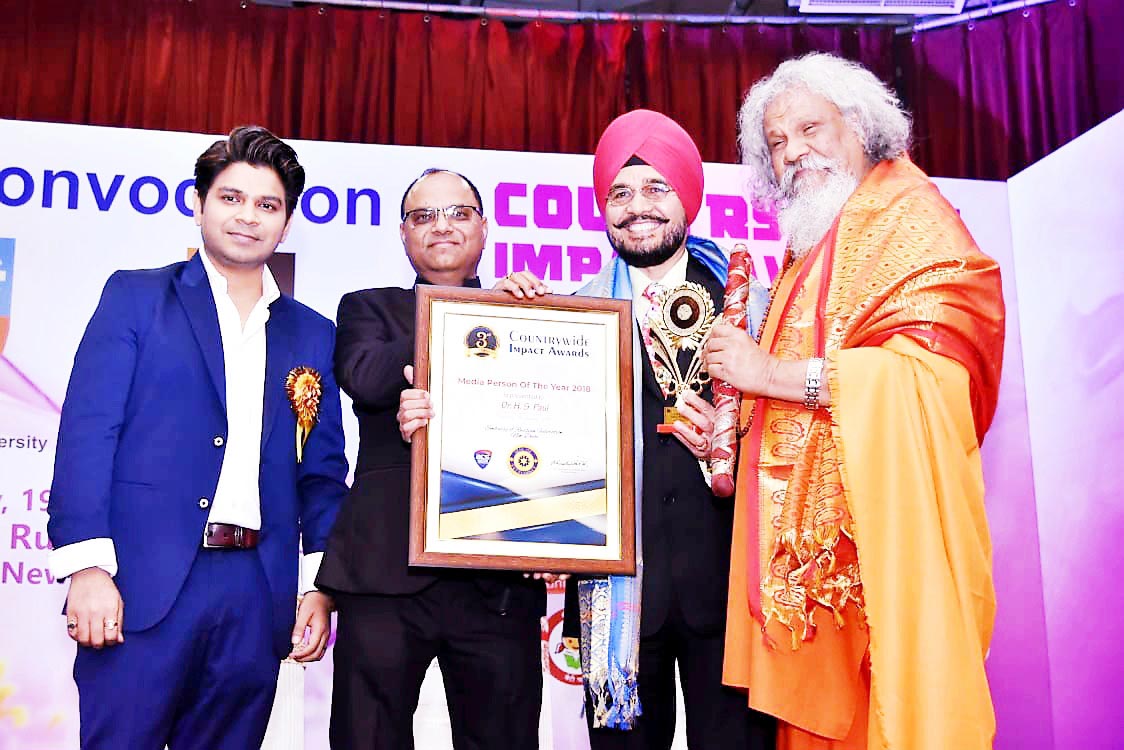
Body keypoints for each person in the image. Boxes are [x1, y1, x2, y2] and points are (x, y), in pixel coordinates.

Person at [703, 53, 1006, 750]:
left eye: (810, 129)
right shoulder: (810, 246)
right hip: (816, 580)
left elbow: (929, 379)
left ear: (861, 126)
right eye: (777, 143)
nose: (793, 153)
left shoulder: (910, 218)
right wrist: (731, 425)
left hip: (885, 558)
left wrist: (768, 375)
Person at [46, 125, 349, 749]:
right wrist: (88, 567)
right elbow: (88, 434)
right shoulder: (136, 297)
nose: (248, 217)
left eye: (267, 205)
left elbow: (320, 475)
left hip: (256, 593)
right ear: (198, 203)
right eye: (231, 198)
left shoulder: (312, 333)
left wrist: (319, 586)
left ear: (287, 223)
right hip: (141, 583)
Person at [492, 109, 775, 750]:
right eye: (619, 193)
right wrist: (508, 325)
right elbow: (533, 441)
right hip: (612, 600)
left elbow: (792, 436)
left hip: (732, 591)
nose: (637, 207)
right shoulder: (573, 316)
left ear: (688, 197)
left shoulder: (752, 306)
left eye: (655, 188)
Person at [317, 168, 546, 750]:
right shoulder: (368, 307)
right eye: (423, 216)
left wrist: (515, 316)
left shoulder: (526, 315)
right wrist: (471, 314)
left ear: (484, 229)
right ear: (403, 234)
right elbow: (365, 377)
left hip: (498, 575)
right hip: (384, 573)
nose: (441, 226)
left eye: (458, 213)